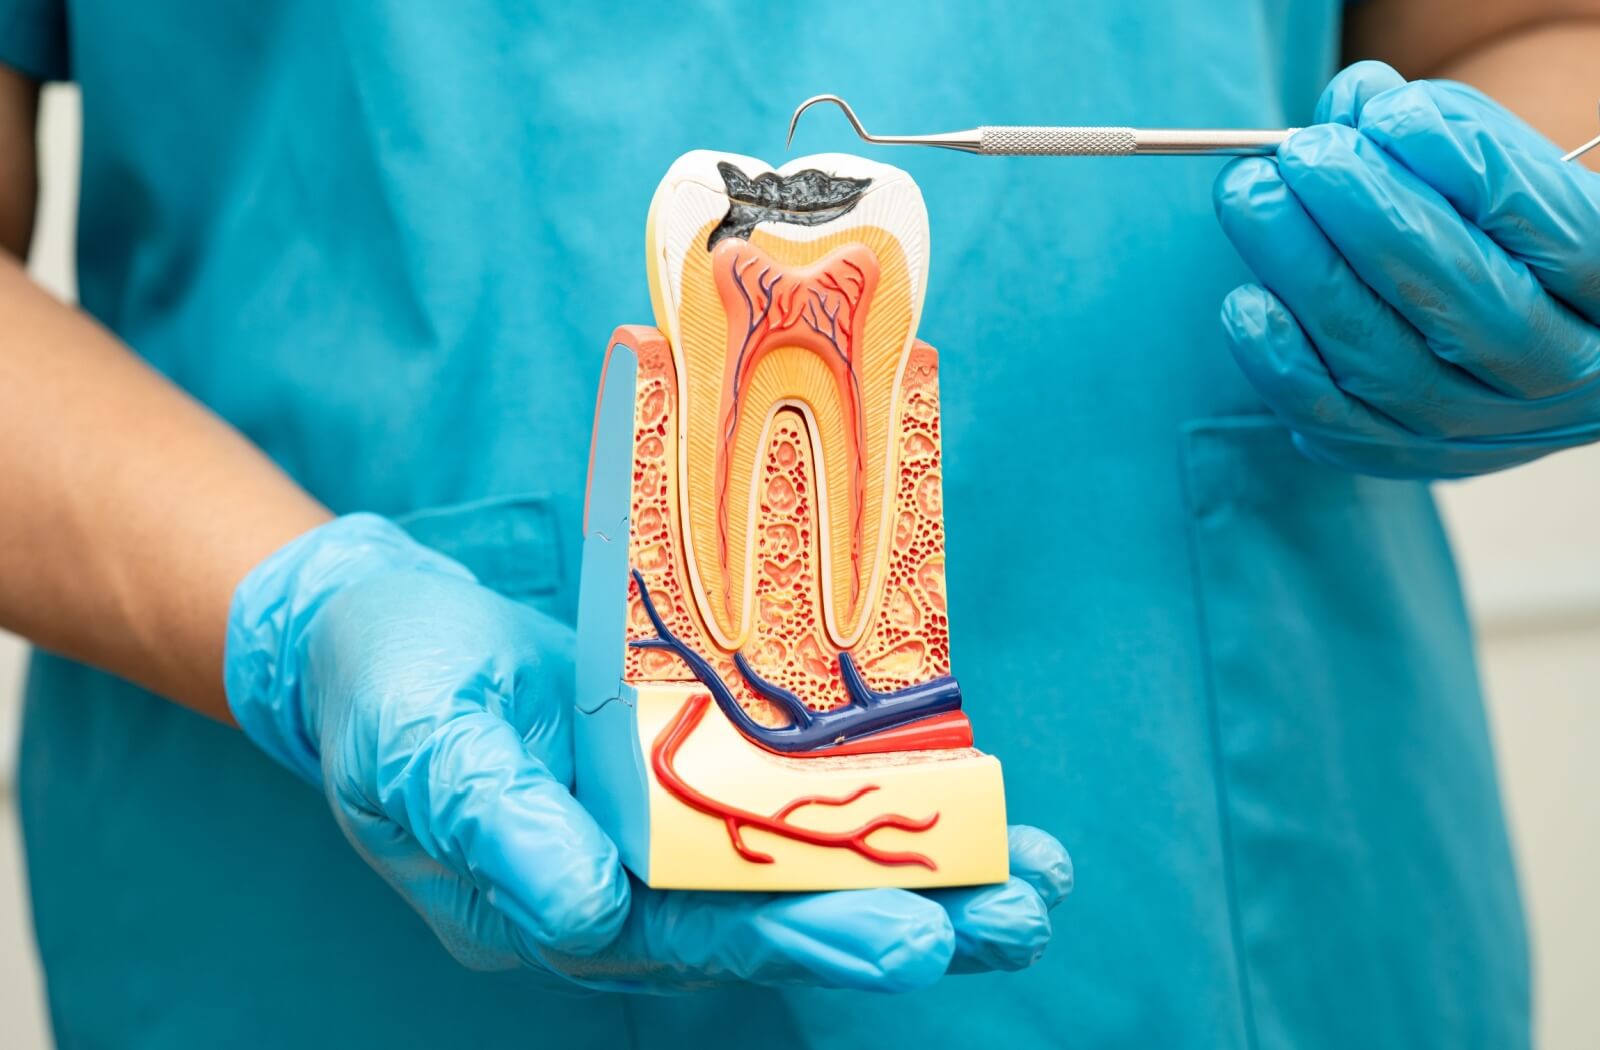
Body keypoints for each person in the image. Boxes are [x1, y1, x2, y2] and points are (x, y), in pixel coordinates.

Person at [0, 0, 1594, 1045]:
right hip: (309, 937)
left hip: (1216, 872)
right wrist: (303, 612)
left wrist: (1536, 230)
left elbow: (1533, 29)